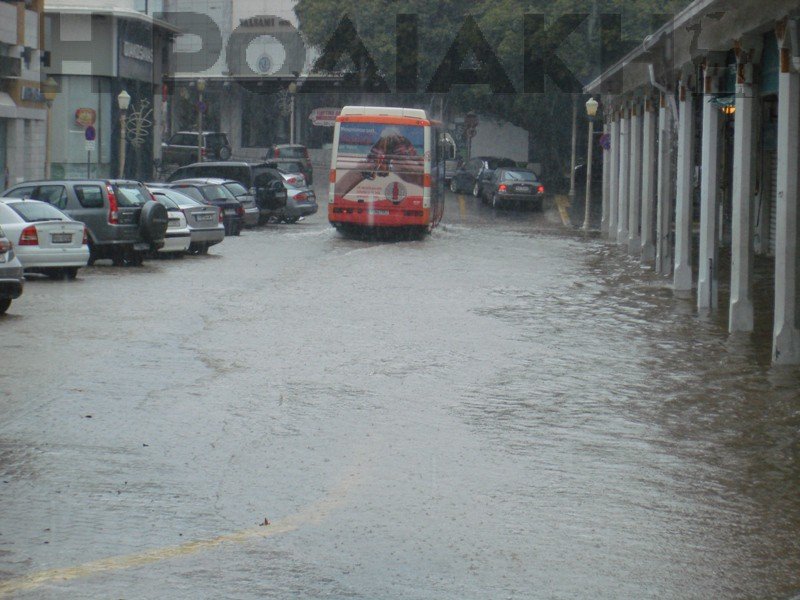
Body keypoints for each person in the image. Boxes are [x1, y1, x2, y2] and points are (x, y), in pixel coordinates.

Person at [334, 128, 424, 199]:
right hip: (392, 165)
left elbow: (414, 157)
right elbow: (414, 157)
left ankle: (336, 198)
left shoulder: (395, 145)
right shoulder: (399, 144)